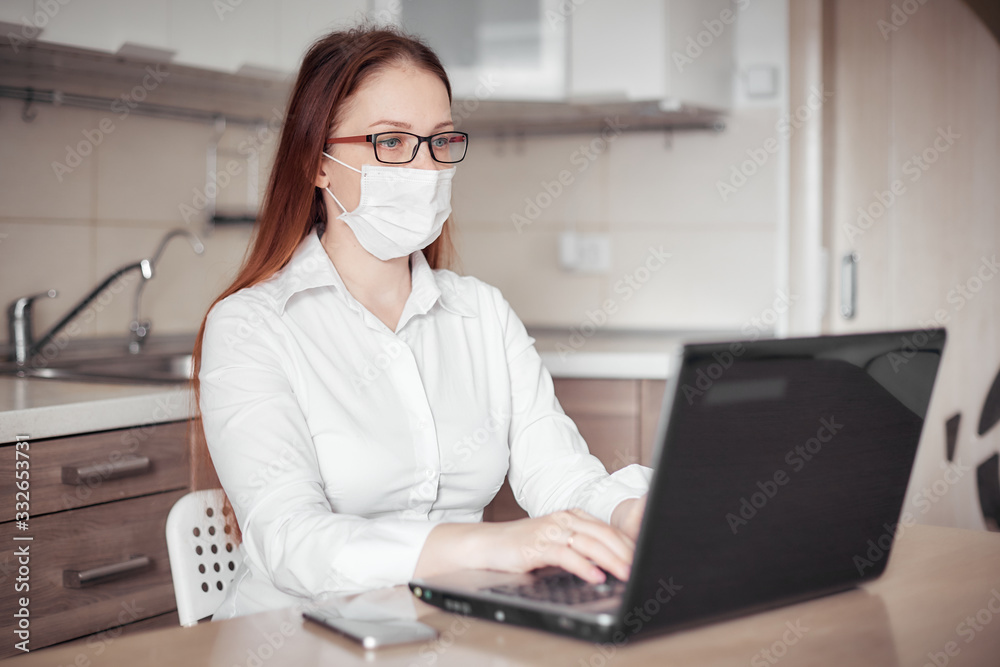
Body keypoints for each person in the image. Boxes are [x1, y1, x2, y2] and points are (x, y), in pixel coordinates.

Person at [192, 24, 652, 621]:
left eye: (439, 141)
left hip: (450, 630)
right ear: (318, 163)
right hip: (294, 639)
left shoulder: (481, 314)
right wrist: (497, 544)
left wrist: (634, 513)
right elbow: (291, 541)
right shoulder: (252, 327)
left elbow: (560, 475)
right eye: (390, 141)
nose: (423, 167)